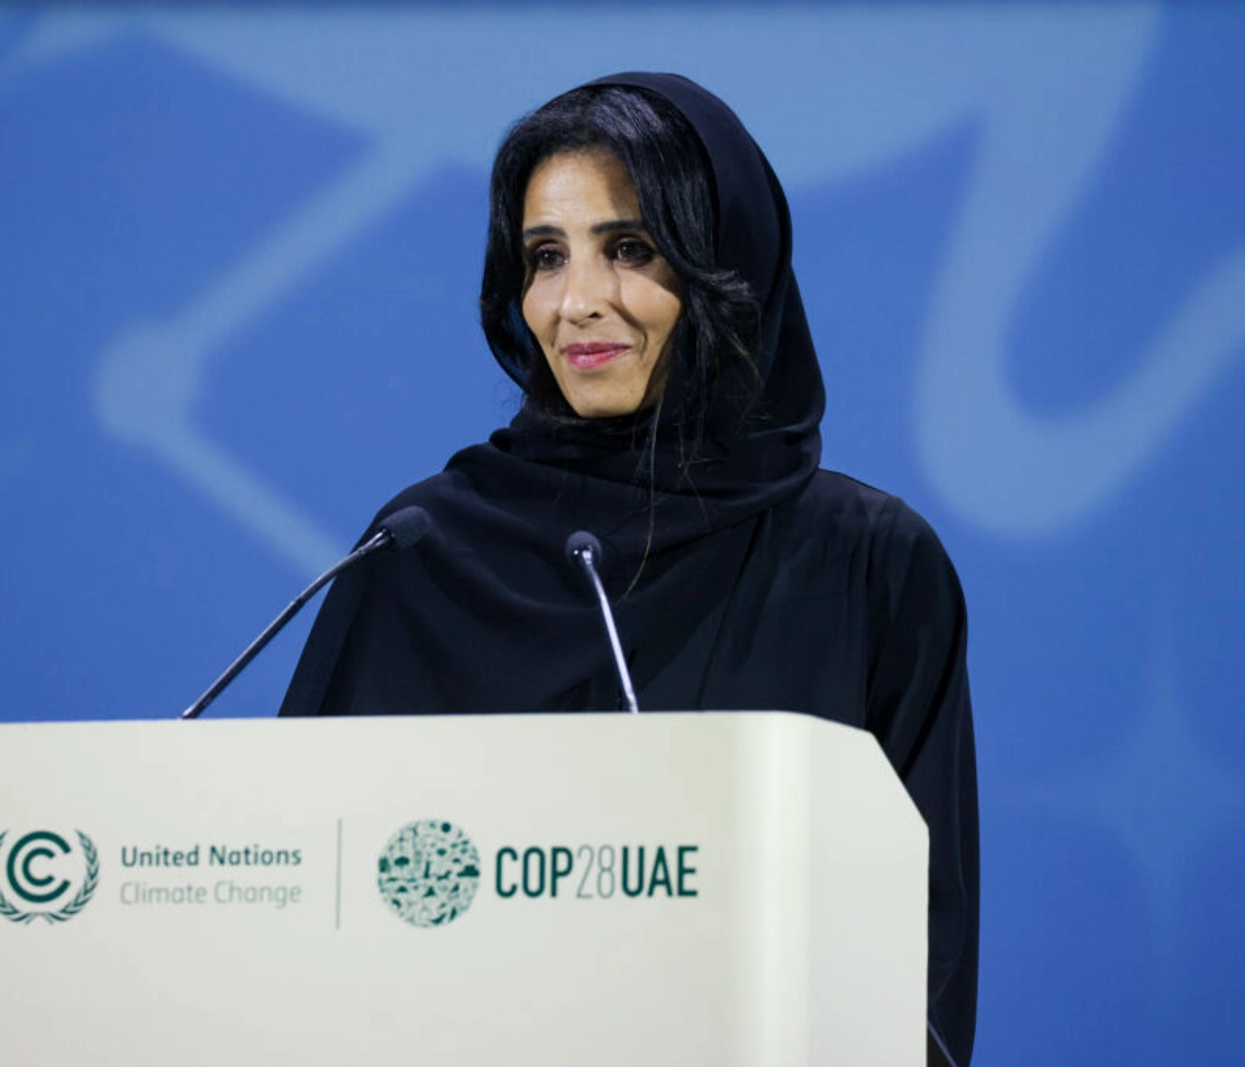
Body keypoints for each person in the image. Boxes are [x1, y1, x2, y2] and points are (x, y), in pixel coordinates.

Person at [278, 72, 978, 1066]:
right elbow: (294, 912)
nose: (577, 304)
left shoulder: (869, 564)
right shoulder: (420, 550)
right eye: (545, 257)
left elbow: (922, 961)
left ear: (730, 263)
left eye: (632, 249)